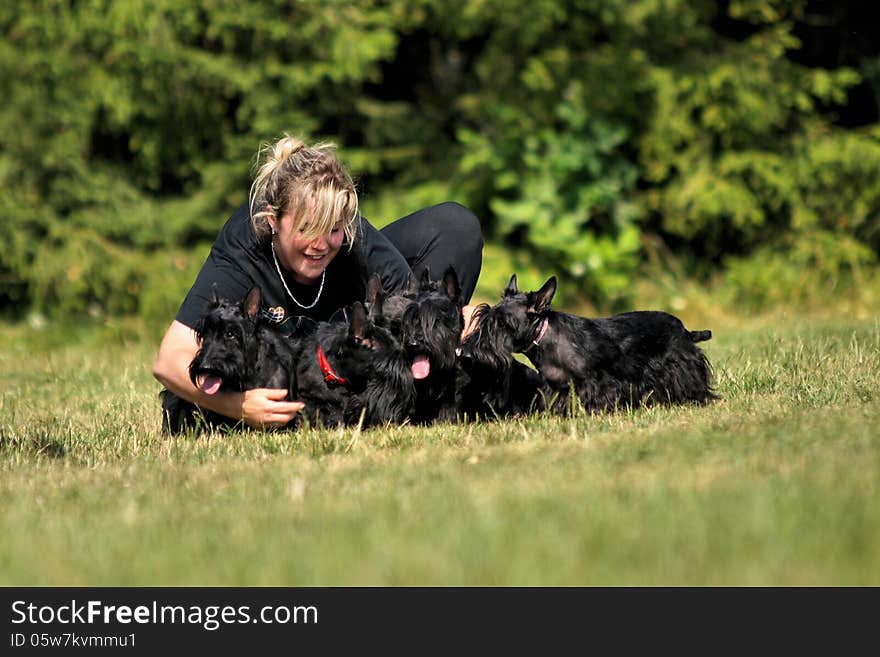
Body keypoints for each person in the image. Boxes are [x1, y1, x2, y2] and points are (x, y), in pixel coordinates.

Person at [152, 135, 484, 428]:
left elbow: (423, 310)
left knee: (456, 226)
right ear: (273, 221)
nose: (321, 244)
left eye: (334, 228)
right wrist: (239, 407)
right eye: (307, 228)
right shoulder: (243, 247)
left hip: (345, 335)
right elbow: (169, 359)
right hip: (286, 351)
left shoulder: (356, 240)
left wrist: (482, 331)